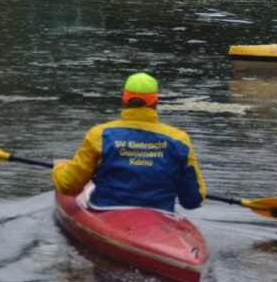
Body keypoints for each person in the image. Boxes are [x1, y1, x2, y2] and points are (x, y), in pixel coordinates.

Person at [51, 72, 207, 214]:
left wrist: (59, 168)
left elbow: (68, 186)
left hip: (105, 209)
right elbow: (193, 200)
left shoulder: (99, 134)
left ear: (124, 99)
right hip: (161, 213)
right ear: (155, 101)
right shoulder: (179, 140)